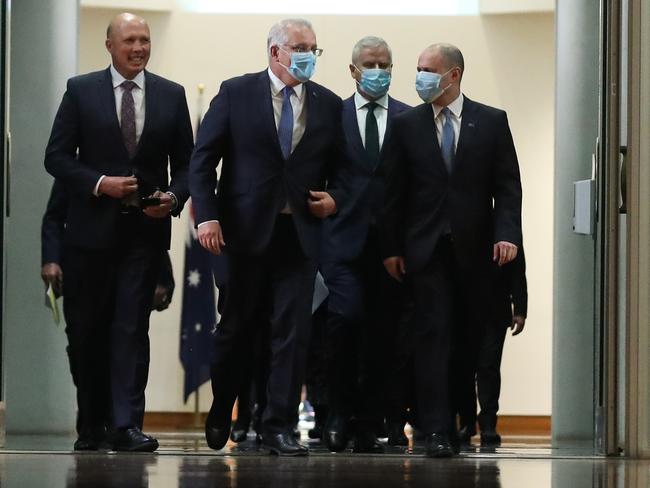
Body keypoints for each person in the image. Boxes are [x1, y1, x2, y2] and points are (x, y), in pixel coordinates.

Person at [189, 18, 346, 457]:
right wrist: (206, 217)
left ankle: (278, 425)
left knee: (291, 332)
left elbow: (347, 171)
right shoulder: (236, 93)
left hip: (299, 235)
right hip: (241, 236)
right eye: (300, 47)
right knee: (237, 330)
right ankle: (224, 403)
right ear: (275, 52)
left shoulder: (329, 105)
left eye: (314, 49)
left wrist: (336, 199)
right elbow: (202, 163)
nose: (308, 55)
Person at [43, 12, 193, 452]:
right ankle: (92, 423)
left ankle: (127, 424)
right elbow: (56, 157)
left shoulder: (171, 95)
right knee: (88, 333)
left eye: (144, 40)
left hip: (143, 237)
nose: (139, 48)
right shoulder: (80, 91)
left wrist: (173, 198)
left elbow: (187, 166)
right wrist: (99, 183)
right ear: (109, 45)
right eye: (129, 40)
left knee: (131, 329)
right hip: (88, 237)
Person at [380, 43, 522, 457]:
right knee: (433, 337)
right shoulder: (407, 124)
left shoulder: (492, 122)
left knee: (467, 341)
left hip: (477, 254)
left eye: (429, 69)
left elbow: (508, 187)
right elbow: (392, 193)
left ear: (454, 75)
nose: (420, 76)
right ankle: (437, 430)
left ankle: (462, 422)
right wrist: (391, 248)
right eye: (419, 68)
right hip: (426, 252)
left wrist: (508, 234)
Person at [319, 36, 411, 453]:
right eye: (372, 64)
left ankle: (369, 422)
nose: (380, 71)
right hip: (341, 241)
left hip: (392, 248)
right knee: (344, 324)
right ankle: (336, 415)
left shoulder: (410, 119)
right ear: (354, 70)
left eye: (386, 64)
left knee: (383, 335)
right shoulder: (330, 116)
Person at [455, 246, 528, 448]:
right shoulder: (499, 223)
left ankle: (486, 423)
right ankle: (469, 421)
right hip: (467, 305)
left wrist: (520, 308)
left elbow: (517, 267)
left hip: (494, 306)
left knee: (488, 365)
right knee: (467, 367)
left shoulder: (504, 224)